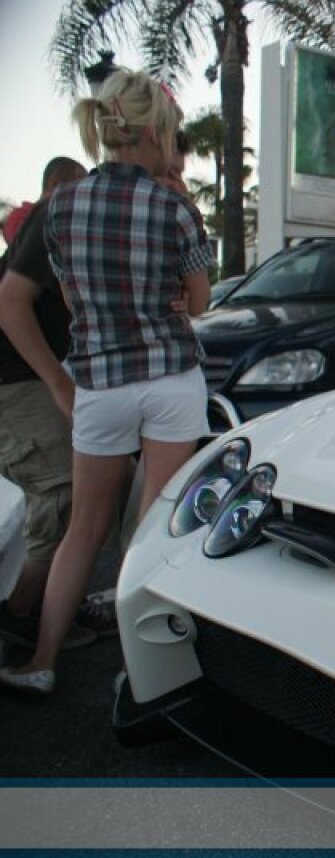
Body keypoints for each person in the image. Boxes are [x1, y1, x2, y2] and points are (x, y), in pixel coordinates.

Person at [0, 69, 213, 696]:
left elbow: (68, 298)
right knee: (149, 531)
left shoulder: (59, 206)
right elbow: (199, 300)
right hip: (170, 378)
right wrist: (171, 297)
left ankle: (40, 660)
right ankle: (142, 672)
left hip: (97, 382)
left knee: (82, 529)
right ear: (151, 132)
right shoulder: (173, 204)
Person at [0, 157, 103, 651]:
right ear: (62, 187)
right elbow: (9, 303)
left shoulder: (45, 221)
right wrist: (58, 386)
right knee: (61, 493)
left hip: (25, 383)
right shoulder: (54, 216)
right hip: (15, 386)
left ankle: (47, 602)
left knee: (79, 491)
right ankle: (20, 614)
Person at [2, 160, 86, 246]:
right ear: (56, 183)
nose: (85, 189)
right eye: (79, 182)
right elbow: (22, 249)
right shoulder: (19, 217)